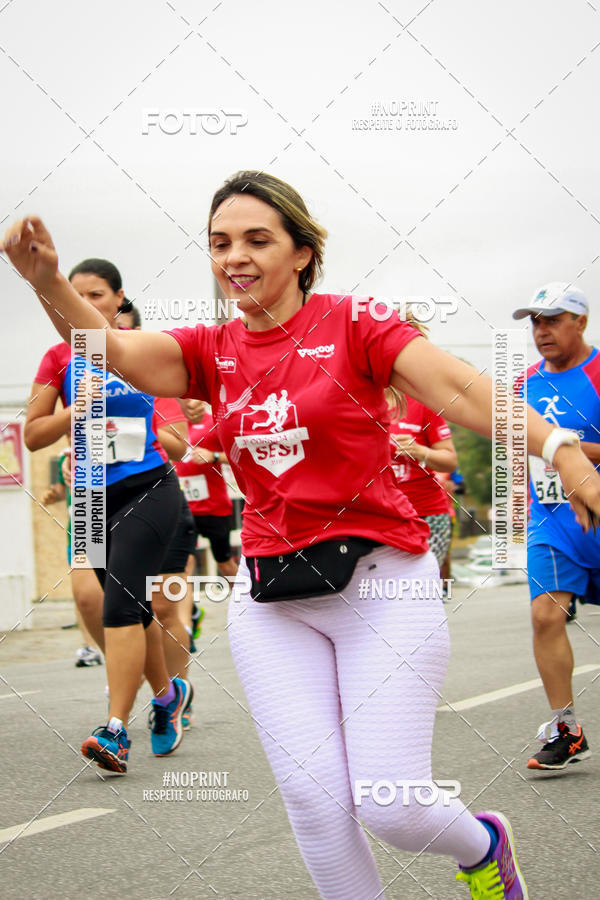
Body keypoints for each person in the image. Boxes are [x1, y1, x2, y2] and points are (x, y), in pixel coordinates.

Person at [7, 178, 600, 898]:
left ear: (303, 253)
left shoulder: (358, 323)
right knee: (317, 808)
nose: (236, 257)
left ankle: (483, 846)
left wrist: (563, 451)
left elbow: (461, 387)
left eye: (258, 240)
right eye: (221, 243)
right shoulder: (207, 348)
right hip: (273, 595)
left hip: (383, 582)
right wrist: (45, 283)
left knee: (393, 806)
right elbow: (115, 352)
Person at [23, 256, 191, 774]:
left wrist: (138, 429)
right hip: (94, 499)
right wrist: (76, 412)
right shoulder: (58, 357)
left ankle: (115, 730)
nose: (83, 304)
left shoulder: (140, 352)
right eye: (72, 294)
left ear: (119, 300)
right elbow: (32, 436)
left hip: (150, 488)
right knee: (120, 610)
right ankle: (167, 698)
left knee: (122, 602)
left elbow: (179, 444)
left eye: (95, 295)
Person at [513, 283, 600, 770]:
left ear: (580, 323)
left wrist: (563, 447)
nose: (541, 330)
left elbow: (551, 443)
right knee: (546, 616)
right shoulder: (523, 383)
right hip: (551, 522)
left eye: (552, 319)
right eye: (534, 322)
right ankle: (566, 732)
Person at [41, 450, 103, 666]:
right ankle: (90, 647)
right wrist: (52, 495)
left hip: (107, 525)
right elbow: (61, 489)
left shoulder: (103, 445)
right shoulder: (63, 457)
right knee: (82, 592)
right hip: (78, 532)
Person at [388, 389, 458, 571]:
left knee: (421, 587)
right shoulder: (356, 405)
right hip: (380, 518)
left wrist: (420, 451)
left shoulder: (422, 405)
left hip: (427, 515)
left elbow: (450, 461)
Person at [176, 400, 238, 579]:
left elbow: (238, 455)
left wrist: (214, 456)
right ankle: (188, 608)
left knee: (225, 564)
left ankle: (243, 604)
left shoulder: (215, 424)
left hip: (214, 508)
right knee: (184, 564)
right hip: (185, 508)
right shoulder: (175, 426)